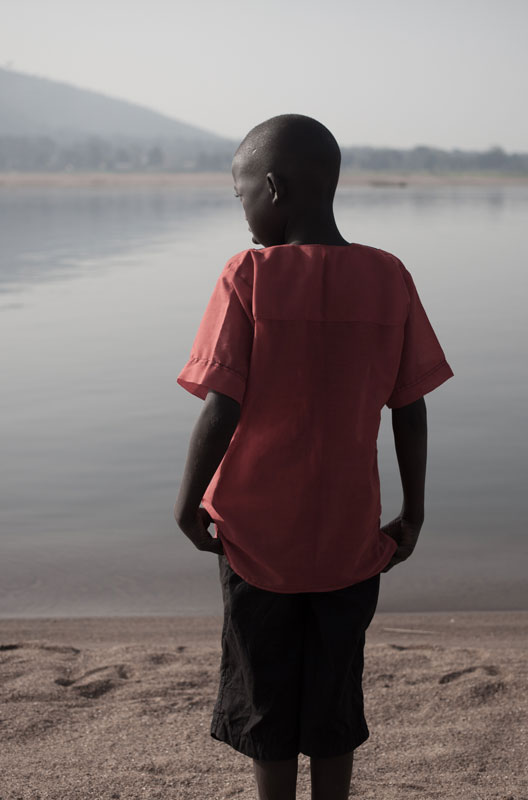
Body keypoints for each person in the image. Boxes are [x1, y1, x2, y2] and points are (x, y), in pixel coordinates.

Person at [174, 114, 452, 800]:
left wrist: (187, 504)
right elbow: (409, 406)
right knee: (332, 692)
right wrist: (412, 512)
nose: (243, 212)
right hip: (347, 537)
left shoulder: (248, 276)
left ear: (272, 186)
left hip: (256, 537)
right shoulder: (389, 277)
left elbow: (223, 406)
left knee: (265, 692)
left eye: (242, 195)